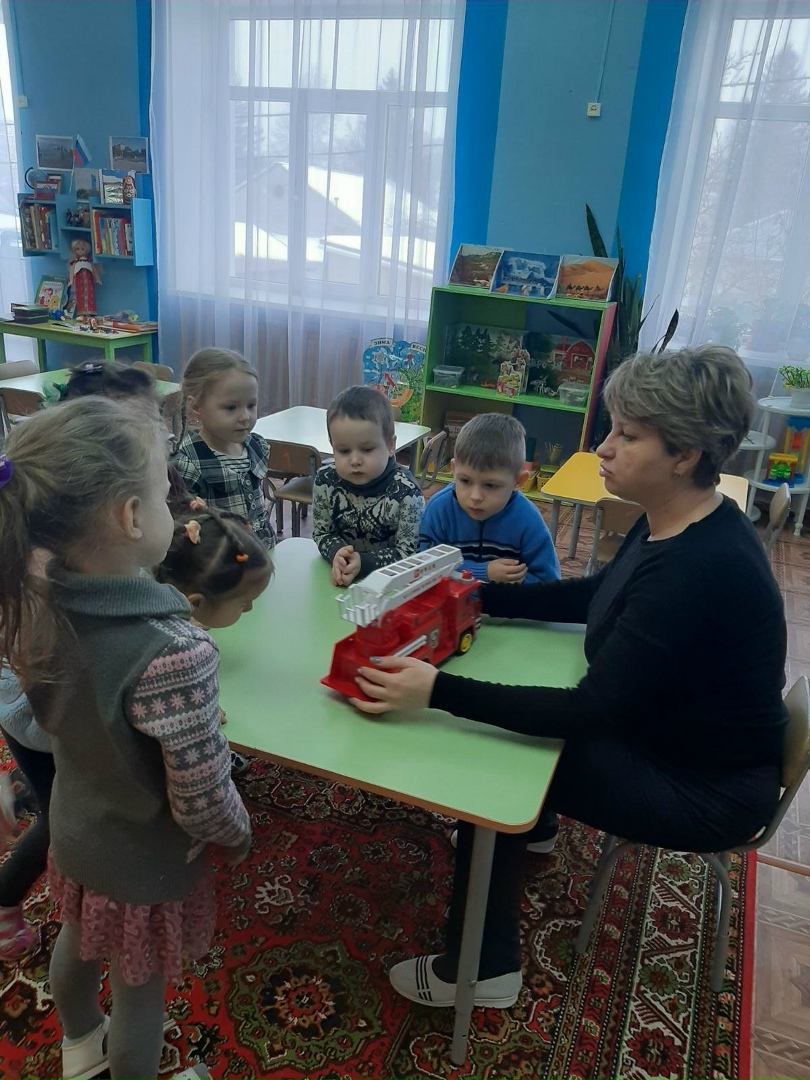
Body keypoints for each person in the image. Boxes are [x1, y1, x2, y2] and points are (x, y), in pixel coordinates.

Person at [349, 345, 787, 1009]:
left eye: (627, 435)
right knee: (516, 735)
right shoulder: (680, 519)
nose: (603, 447)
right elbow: (592, 595)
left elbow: (591, 710)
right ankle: (534, 828)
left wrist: (435, 691)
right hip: (673, 737)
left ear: (686, 455)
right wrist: (476, 596)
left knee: (494, 763)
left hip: (701, 784)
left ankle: (484, 969)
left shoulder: (698, 567)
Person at [0, 397, 253, 1080]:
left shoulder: (35, 604)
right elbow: (202, 800)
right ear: (133, 517)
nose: (175, 506)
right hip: (143, 861)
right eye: (164, 491)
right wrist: (238, 831)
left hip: (76, 830)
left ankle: (80, 1043)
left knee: (79, 940)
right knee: (141, 992)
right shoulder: (176, 652)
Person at [419, 413, 559, 585]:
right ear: (454, 470)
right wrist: (482, 573)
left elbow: (548, 583)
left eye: (490, 485)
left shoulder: (528, 520)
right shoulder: (439, 509)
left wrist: (508, 585)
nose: (475, 496)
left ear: (518, 481)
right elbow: (422, 567)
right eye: (465, 481)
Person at [313, 385, 424, 586]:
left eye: (367, 449)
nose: (355, 460)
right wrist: (337, 553)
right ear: (332, 445)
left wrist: (363, 563)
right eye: (344, 451)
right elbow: (322, 533)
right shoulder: (325, 481)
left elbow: (408, 554)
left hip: (388, 588)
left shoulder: (408, 494)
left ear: (390, 446)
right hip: (337, 585)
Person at [172, 348, 275, 550]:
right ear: (196, 407)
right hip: (221, 559)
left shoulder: (256, 446)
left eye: (251, 405)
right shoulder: (187, 464)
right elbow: (184, 530)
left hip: (262, 553)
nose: (245, 417)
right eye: (230, 408)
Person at [68, 238, 102, 317]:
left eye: (82, 249)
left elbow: (94, 271)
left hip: (88, 282)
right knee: (80, 297)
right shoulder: (75, 262)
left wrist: (97, 279)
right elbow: (72, 272)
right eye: (77, 249)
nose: (80, 251)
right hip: (79, 283)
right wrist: (71, 280)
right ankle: (81, 313)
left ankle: (89, 313)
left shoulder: (89, 262)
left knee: (89, 297)